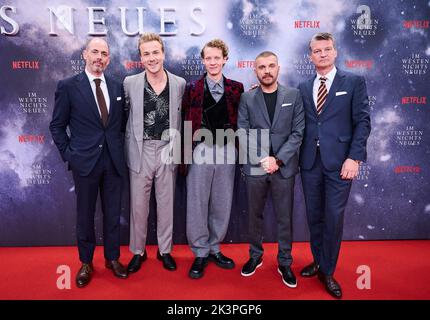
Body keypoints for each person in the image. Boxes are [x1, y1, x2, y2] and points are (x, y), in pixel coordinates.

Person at [49, 37, 128, 288]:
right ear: (85, 54)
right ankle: (85, 262)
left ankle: (113, 258)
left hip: (114, 162)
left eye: (104, 54)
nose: (99, 57)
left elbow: (120, 125)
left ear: (109, 59)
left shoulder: (117, 87)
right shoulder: (68, 86)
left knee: (113, 214)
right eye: (95, 52)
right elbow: (57, 126)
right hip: (85, 163)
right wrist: (69, 154)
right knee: (85, 215)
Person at [298, 32, 371, 298]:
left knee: (333, 217)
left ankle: (327, 271)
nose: (323, 54)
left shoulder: (353, 82)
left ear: (335, 52)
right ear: (311, 56)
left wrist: (355, 157)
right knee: (314, 216)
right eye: (317, 51)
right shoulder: (303, 88)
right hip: (309, 162)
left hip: (341, 162)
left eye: (327, 49)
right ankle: (318, 260)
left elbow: (363, 122)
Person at [237, 51, 304, 287]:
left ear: (278, 68)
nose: (267, 71)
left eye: (271, 66)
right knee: (254, 216)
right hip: (256, 166)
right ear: (255, 70)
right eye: (262, 67)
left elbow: (298, 133)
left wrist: (278, 159)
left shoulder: (294, 95)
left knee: (284, 217)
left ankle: (284, 261)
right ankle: (255, 256)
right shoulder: (247, 98)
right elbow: (242, 130)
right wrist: (262, 158)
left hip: (283, 167)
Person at [181, 39, 244, 279]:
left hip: (228, 150)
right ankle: (200, 251)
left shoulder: (237, 88)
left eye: (217, 57)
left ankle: (215, 248)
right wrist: (184, 155)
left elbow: (243, 122)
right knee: (197, 202)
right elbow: (185, 120)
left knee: (221, 200)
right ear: (203, 60)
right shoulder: (193, 88)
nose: (213, 62)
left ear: (225, 59)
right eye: (208, 58)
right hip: (200, 150)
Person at [124, 33, 186, 274]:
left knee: (166, 203)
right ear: (141, 57)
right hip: (141, 151)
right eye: (146, 54)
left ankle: (165, 250)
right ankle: (138, 252)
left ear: (163, 54)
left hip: (168, 150)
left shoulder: (179, 83)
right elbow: (124, 116)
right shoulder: (130, 83)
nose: (152, 58)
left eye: (155, 52)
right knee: (138, 207)